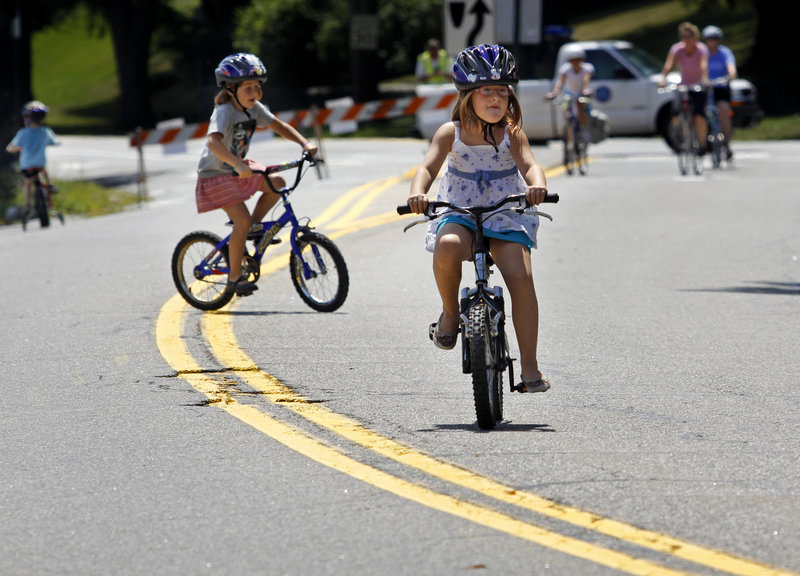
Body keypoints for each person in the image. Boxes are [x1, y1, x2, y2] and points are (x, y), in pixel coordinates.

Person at [406, 44, 551, 394]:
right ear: (467, 95)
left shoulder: (511, 133)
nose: (496, 98)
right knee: (447, 247)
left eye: (503, 91)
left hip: (505, 211)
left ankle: (529, 366)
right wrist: (418, 192)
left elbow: (531, 165)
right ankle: (450, 313)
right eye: (487, 90)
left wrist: (538, 185)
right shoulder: (449, 132)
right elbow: (426, 167)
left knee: (520, 275)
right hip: (460, 209)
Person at [196, 53, 317, 297]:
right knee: (240, 220)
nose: (254, 93)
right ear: (231, 89)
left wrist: (305, 143)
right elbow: (213, 144)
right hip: (215, 174)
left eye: (256, 87)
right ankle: (234, 278)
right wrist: (237, 165)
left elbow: (279, 125)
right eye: (248, 88)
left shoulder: (253, 109)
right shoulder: (224, 111)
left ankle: (253, 228)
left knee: (278, 183)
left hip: (236, 169)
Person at [659, 22, 710, 151]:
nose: (686, 39)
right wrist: (663, 79)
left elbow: (703, 65)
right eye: (684, 36)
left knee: (699, 114)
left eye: (689, 36)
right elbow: (669, 65)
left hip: (698, 86)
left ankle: (702, 144)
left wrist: (704, 79)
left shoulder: (701, 49)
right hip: (684, 86)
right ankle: (680, 135)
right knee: (675, 111)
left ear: (695, 37)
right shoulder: (677, 49)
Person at [6, 101, 59, 214]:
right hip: (39, 163)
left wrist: (13, 149)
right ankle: (50, 185)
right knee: (44, 170)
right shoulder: (45, 131)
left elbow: (12, 146)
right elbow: (54, 142)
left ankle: (27, 204)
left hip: (26, 164)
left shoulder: (23, 133)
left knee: (28, 182)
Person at [546, 45, 595, 142]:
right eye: (573, 60)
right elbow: (560, 81)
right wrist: (555, 92)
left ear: (581, 60)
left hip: (581, 93)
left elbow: (586, 79)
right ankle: (569, 136)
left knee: (580, 106)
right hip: (570, 93)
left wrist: (585, 90)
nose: (575, 62)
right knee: (566, 110)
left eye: (577, 60)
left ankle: (584, 131)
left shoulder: (587, 68)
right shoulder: (566, 69)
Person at [702, 25, 737, 159]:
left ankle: (727, 145)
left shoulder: (724, 52)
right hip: (707, 87)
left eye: (715, 39)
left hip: (721, 87)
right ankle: (702, 140)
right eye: (710, 39)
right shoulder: (703, 53)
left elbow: (730, 66)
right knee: (701, 111)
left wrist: (731, 73)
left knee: (723, 111)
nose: (712, 41)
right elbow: (700, 67)